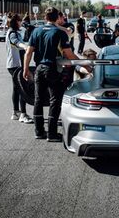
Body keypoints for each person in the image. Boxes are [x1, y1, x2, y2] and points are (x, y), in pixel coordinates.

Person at [23, 8, 85, 142]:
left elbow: (28, 52)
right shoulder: (59, 32)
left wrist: (25, 69)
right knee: (55, 101)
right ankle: (51, 134)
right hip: (53, 69)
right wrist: (84, 64)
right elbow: (69, 55)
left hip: (39, 68)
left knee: (38, 100)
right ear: (57, 17)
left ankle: (38, 131)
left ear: (45, 17)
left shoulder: (36, 30)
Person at [6, 13, 33, 124]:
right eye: (20, 20)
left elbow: (20, 42)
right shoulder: (12, 33)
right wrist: (25, 46)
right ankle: (23, 114)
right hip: (15, 66)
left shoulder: (15, 32)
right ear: (16, 22)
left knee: (16, 88)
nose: (21, 22)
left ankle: (15, 113)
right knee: (23, 88)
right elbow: (16, 43)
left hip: (13, 65)